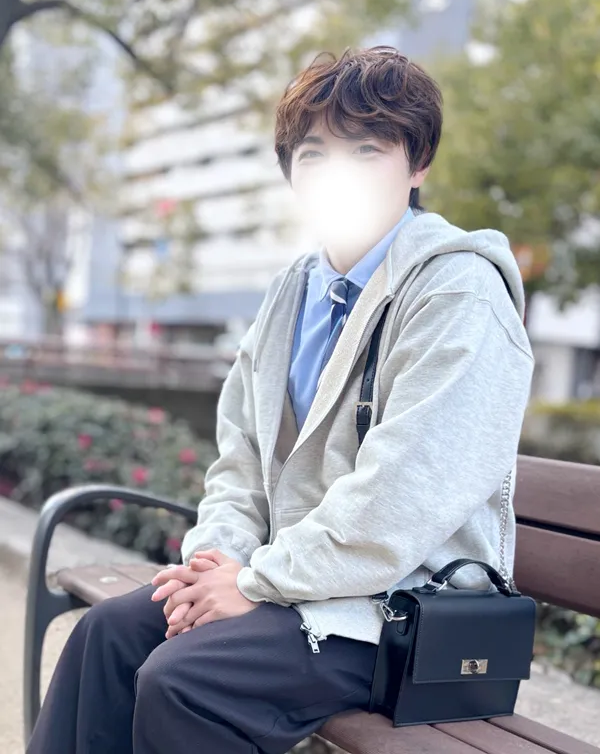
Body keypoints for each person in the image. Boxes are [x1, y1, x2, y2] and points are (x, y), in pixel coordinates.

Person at [27, 46, 534, 754]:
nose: (338, 174)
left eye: (367, 150)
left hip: (400, 611)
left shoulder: (458, 293)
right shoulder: (294, 291)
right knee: (106, 635)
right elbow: (240, 462)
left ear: (417, 164)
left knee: (184, 680)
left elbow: (403, 497)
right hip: (297, 591)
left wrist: (258, 583)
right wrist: (214, 566)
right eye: (315, 153)